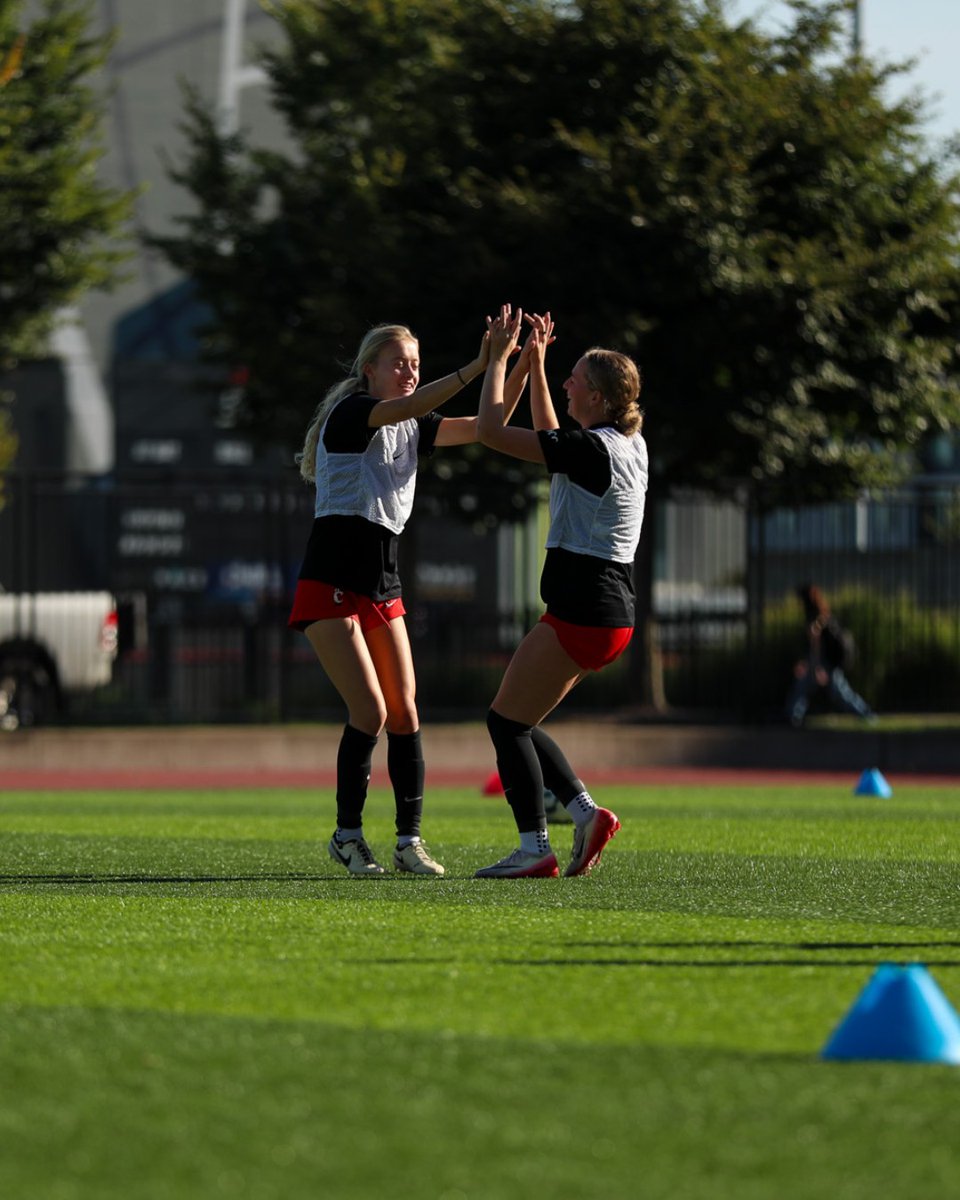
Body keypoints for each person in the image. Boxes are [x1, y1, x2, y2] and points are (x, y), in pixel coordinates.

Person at [288, 319, 533, 875]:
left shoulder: (410, 422)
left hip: (381, 580)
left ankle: (408, 842)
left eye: (414, 363)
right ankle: (347, 836)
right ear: (368, 368)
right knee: (369, 711)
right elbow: (409, 406)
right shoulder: (354, 412)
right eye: (398, 362)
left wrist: (512, 362)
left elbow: (485, 426)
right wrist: (475, 365)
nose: (408, 370)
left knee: (404, 712)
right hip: (331, 578)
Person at [474, 305, 649, 879]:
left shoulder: (593, 450)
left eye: (577, 378)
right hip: (609, 614)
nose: (569, 383)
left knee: (505, 723)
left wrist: (499, 360)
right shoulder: (624, 444)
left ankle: (534, 848)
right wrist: (541, 367)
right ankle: (585, 813)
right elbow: (558, 440)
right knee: (519, 722)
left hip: (583, 609)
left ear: (597, 399)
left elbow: (491, 433)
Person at [785, 583, 875, 728]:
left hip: (825, 663)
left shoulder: (816, 619)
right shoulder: (822, 615)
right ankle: (793, 716)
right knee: (804, 687)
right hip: (823, 662)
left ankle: (866, 714)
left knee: (840, 692)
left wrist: (816, 666)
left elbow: (816, 645)